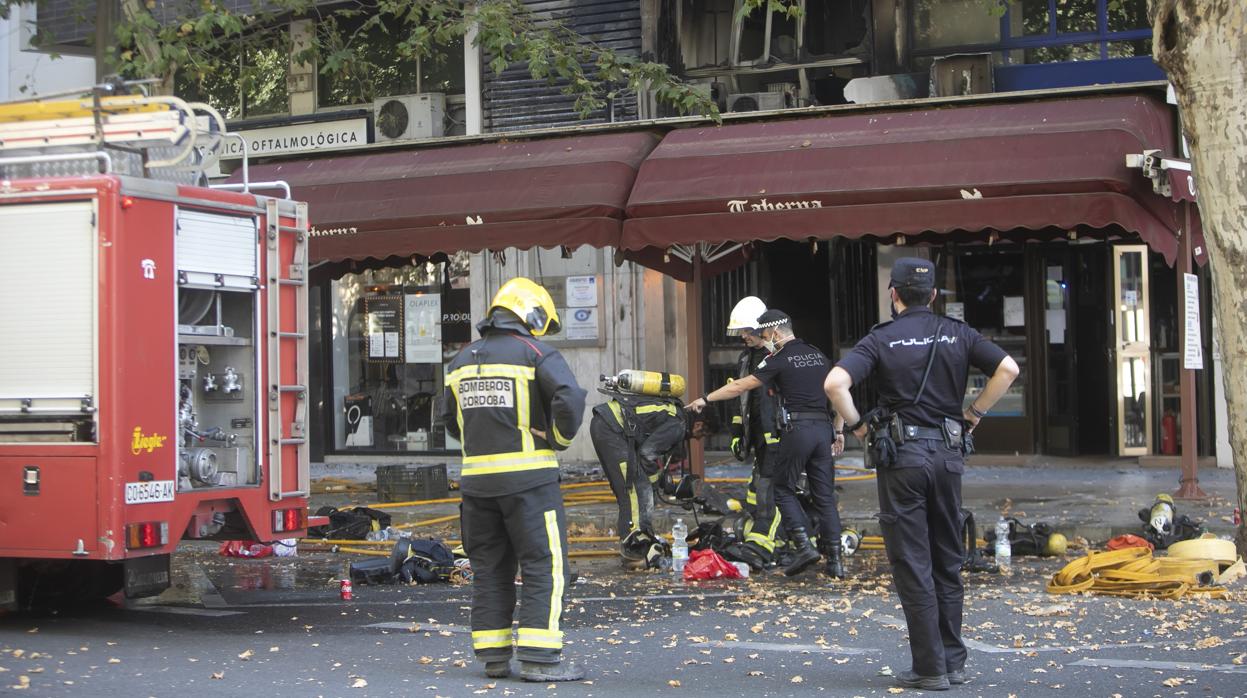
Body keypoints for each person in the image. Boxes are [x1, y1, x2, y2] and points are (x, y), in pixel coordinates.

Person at [824, 257, 1019, 691]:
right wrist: (973, 413)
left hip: (903, 459)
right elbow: (1009, 369)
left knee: (913, 563)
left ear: (893, 294)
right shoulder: (958, 332)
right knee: (947, 560)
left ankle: (929, 668)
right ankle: (953, 662)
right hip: (948, 455)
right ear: (932, 295)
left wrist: (857, 427)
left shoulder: (881, 338)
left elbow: (835, 384)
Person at [442, 277, 588, 683]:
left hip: (476, 486)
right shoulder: (536, 353)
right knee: (544, 565)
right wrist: (557, 438)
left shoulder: (460, 361)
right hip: (530, 484)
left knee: (489, 568)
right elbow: (571, 398)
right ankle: (540, 659)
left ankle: (493, 657)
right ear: (532, 314)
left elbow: (449, 422)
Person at [687, 309, 846, 578]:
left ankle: (804, 547)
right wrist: (839, 431)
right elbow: (840, 391)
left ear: (775, 332)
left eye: (763, 334)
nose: (763, 339)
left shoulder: (779, 359)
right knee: (825, 497)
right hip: (823, 431)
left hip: (798, 431)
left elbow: (740, 386)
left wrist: (706, 399)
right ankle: (836, 563)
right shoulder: (818, 354)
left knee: (781, 489)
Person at [589, 387, 720, 568]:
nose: (698, 439)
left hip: (606, 424)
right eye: (702, 435)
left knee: (631, 490)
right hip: (610, 429)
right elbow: (646, 454)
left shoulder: (676, 415)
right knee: (636, 490)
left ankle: (639, 542)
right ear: (698, 425)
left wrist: (656, 481)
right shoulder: (679, 425)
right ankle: (635, 549)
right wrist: (656, 481)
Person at [723, 296, 784, 571]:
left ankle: (762, 546)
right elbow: (741, 400)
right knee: (756, 491)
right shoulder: (746, 358)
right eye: (742, 332)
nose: (744, 336)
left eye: (747, 330)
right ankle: (777, 539)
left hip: (779, 435)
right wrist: (737, 434)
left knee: (769, 491)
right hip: (757, 435)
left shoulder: (780, 355)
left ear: (763, 328)